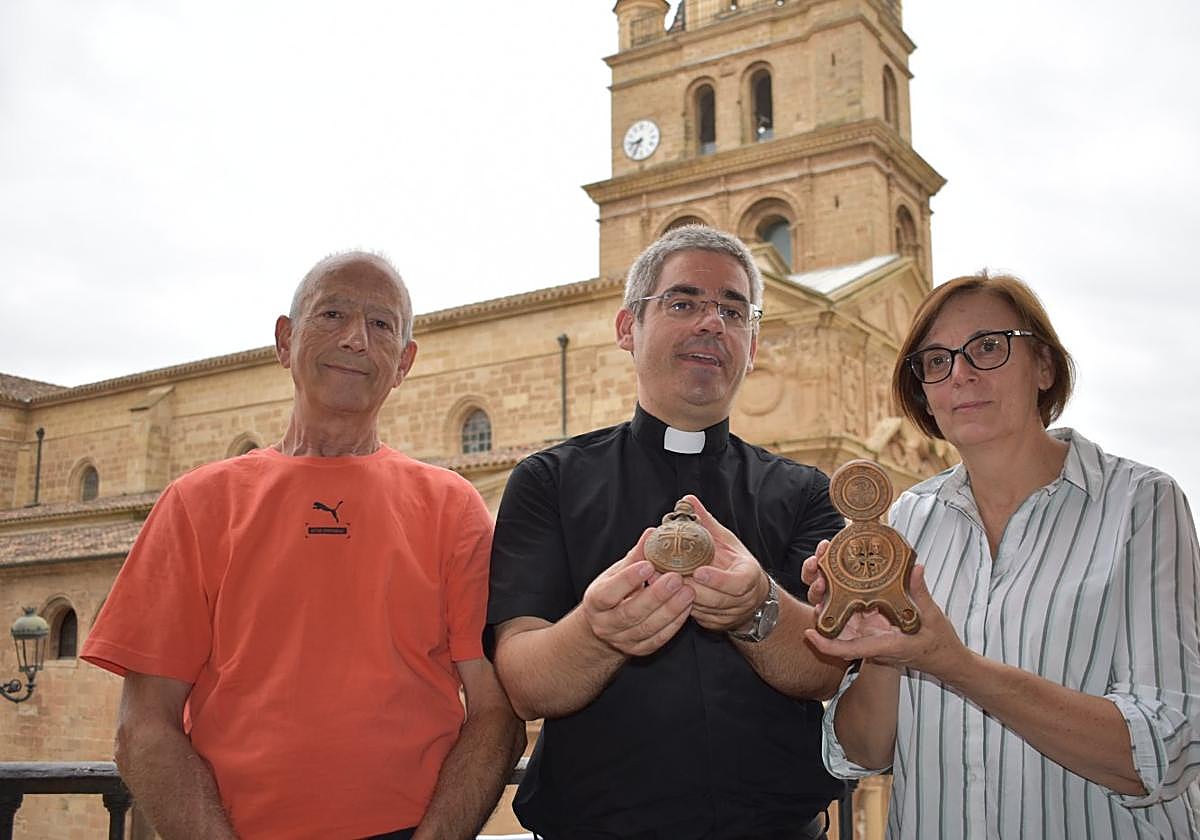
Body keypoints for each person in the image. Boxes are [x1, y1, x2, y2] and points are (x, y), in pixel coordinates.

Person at [81, 252, 524, 840]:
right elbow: (144, 724)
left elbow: (495, 712)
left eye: (382, 324)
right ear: (285, 340)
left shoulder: (453, 507)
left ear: (404, 363)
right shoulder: (197, 503)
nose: (355, 339)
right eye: (332, 313)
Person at [803, 271, 1200, 838]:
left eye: (988, 347)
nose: (960, 373)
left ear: (1044, 366)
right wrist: (881, 651)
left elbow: (1167, 748)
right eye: (936, 361)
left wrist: (955, 665)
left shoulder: (1140, 504)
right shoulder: (908, 519)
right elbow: (862, 754)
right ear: (925, 394)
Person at [488, 225, 849, 840]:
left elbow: (829, 668)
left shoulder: (808, 492)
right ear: (628, 328)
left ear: (752, 345)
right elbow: (523, 682)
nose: (713, 323)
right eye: (684, 303)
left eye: (733, 311)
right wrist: (597, 633)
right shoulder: (546, 481)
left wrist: (757, 609)